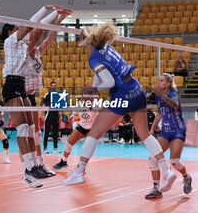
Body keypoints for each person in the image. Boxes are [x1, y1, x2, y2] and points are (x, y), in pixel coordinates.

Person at [63, 23, 176, 194]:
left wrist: (94, 91)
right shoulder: (106, 47)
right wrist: (94, 93)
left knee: (94, 133)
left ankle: (79, 171)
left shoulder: (93, 57)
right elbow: (100, 74)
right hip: (137, 90)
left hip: (122, 96)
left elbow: (109, 82)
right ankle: (167, 171)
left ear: (85, 43)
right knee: (144, 135)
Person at [0, 5, 71, 188]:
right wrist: (48, 9)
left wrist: (57, 16)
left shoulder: (24, 47)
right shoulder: (10, 42)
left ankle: (33, 167)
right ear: (10, 31)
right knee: (23, 129)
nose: (20, 29)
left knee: (31, 129)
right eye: (17, 28)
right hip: (11, 85)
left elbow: (38, 30)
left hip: (21, 86)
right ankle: (30, 167)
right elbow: (32, 25)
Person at [23, 10, 70, 176]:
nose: (37, 40)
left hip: (32, 96)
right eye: (35, 39)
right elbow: (38, 34)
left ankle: (40, 164)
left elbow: (49, 38)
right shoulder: (24, 52)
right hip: (22, 96)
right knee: (27, 132)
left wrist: (59, 20)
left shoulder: (37, 53)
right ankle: (30, 167)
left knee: (36, 132)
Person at [146, 73, 192, 199]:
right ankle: (156, 188)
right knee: (153, 158)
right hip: (165, 130)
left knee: (174, 161)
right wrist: (152, 128)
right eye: (159, 81)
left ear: (168, 84)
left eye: (161, 81)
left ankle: (186, 177)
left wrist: (159, 94)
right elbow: (160, 113)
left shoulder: (173, 95)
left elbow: (174, 105)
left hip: (178, 130)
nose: (159, 83)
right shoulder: (158, 97)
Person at [53, 105, 98, 170]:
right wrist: (69, 118)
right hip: (82, 126)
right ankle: (64, 161)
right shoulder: (79, 105)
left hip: (92, 128)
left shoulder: (95, 104)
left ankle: (82, 166)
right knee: (69, 143)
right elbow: (73, 117)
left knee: (87, 147)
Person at [42, 81, 61, 154]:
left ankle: (55, 147)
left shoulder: (58, 95)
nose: (53, 87)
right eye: (52, 85)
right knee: (46, 132)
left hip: (56, 115)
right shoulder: (47, 95)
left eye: (54, 85)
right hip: (48, 115)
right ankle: (45, 147)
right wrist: (43, 115)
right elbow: (44, 104)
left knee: (55, 132)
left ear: (56, 86)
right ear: (50, 87)